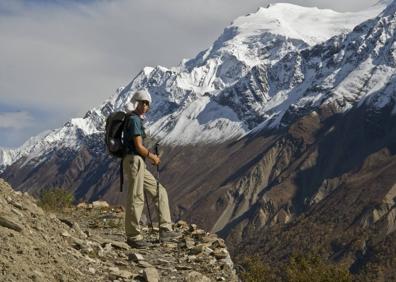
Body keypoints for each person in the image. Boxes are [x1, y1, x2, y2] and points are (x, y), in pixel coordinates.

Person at [123, 89, 181, 248]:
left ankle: (165, 229)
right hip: (134, 161)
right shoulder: (134, 120)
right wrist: (153, 156)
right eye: (143, 102)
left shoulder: (136, 120)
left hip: (137, 161)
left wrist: (148, 154)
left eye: (148, 103)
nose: (146, 106)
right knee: (136, 197)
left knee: (159, 191)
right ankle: (133, 236)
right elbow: (138, 147)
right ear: (137, 102)